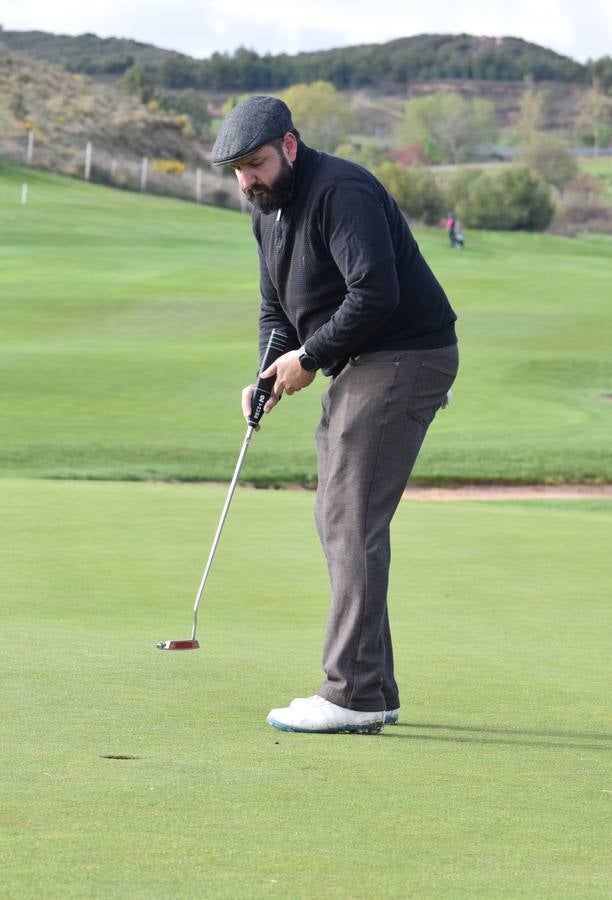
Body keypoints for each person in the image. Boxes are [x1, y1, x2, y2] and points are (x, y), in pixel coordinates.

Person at [213, 96, 459, 734]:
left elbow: (375, 292)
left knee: (349, 515)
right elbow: (278, 310)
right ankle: (372, 686)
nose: (247, 180)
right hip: (366, 359)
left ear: (289, 146)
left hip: (406, 353)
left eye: (256, 164)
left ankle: (352, 693)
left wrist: (312, 358)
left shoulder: (340, 190)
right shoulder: (267, 211)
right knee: (338, 514)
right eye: (237, 170)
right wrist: (269, 372)